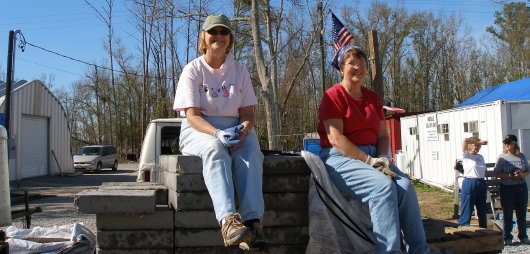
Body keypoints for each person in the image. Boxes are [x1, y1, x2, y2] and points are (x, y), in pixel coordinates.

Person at [317, 45, 430, 254]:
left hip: (374, 156)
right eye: (352, 62)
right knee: (382, 186)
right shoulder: (332, 96)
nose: (358, 67)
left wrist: (382, 158)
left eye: (362, 63)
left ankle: (420, 250)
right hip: (340, 158)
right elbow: (336, 139)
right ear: (341, 67)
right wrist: (369, 161)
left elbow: (382, 136)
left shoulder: (372, 98)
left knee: (405, 187)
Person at [172, 14, 265, 249]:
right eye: (213, 32)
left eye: (224, 32)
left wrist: (243, 131)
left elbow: (247, 113)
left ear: (230, 38)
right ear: (204, 36)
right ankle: (228, 222)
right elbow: (192, 115)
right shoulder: (193, 70)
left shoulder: (240, 70)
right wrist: (217, 134)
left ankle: (253, 225)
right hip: (199, 128)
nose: (219, 36)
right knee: (215, 150)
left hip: (235, 126)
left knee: (251, 152)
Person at [493, 134, 530, 245]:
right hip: (507, 187)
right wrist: (509, 176)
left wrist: (521, 174)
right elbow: (497, 173)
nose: (507, 145)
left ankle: (523, 235)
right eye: (505, 143)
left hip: (521, 186)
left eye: (509, 142)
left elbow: (527, 171)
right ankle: (507, 236)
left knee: (521, 213)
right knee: (508, 213)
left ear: (515, 143)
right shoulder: (502, 157)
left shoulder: (521, 156)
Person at [458, 137, 489, 228]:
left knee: (482, 207)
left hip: (481, 182)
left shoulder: (480, 157)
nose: (478, 147)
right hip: (470, 181)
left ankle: (483, 228)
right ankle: (464, 226)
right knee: (467, 206)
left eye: (479, 146)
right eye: (476, 145)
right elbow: (465, 140)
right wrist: (479, 141)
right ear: (470, 146)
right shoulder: (466, 155)